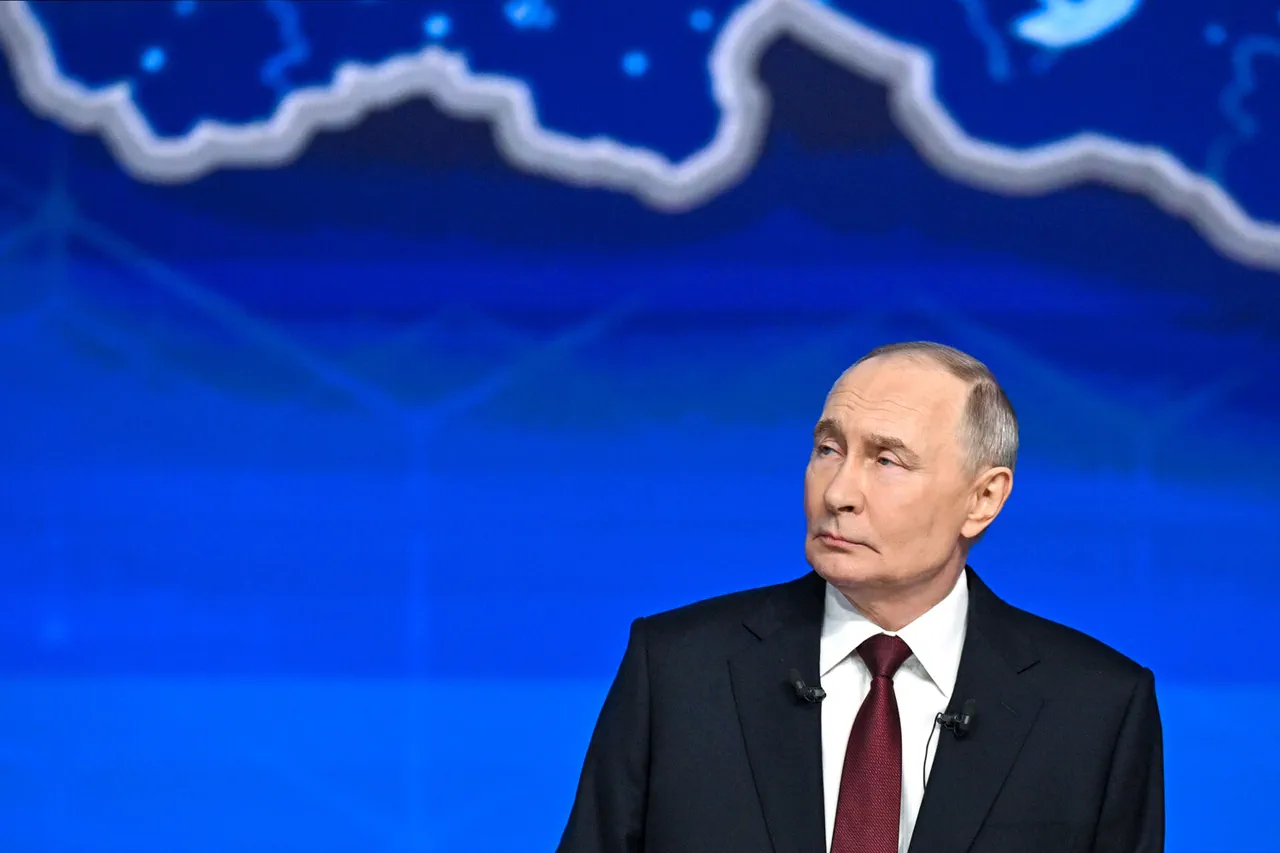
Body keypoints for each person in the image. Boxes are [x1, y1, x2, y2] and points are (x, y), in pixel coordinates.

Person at [557, 341, 1163, 853]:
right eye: (828, 450)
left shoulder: (1097, 708)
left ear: (983, 499)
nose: (838, 492)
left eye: (887, 460)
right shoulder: (678, 669)